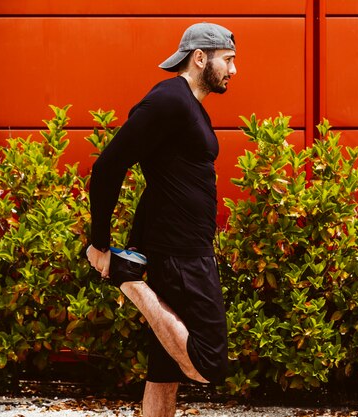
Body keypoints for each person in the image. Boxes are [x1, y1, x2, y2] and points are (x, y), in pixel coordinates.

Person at [86, 22, 237, 417]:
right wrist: (99, 242)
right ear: (200, 57)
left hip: (181, 248)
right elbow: (108, 167)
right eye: (229, 60)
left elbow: (163, 180)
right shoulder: (169, 100)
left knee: (164, 370)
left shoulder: (188, 105)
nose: (233, 70)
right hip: (180, 254)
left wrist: (139, 240)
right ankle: (128, 280)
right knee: (209, 362)